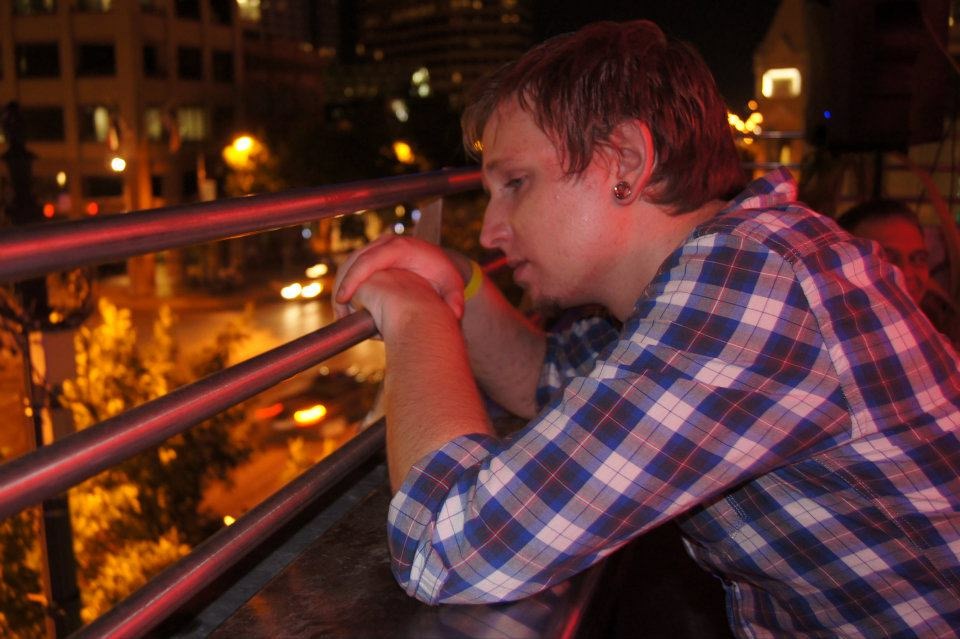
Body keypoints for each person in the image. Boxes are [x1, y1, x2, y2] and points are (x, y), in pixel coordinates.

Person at [333, 20, 960, 637]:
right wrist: (458, 282)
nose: (492, 231)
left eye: (516, 183)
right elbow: (543, 379)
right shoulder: (720, 273)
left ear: (624, 163)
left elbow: (450, 545)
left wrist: (414, 315)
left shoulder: (748, 286)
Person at [838, 198, 960, 349]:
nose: (907, 273)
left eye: (918, 259)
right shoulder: (831, 346)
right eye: (888, 259)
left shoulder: (938, 343)